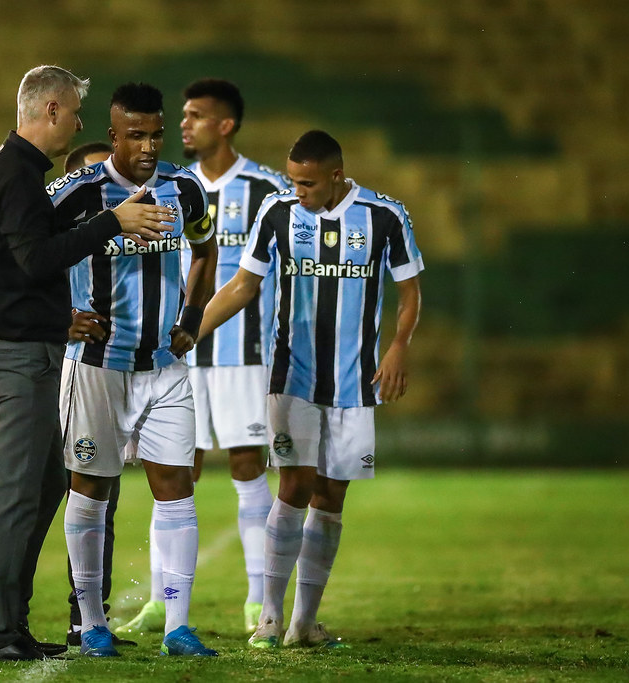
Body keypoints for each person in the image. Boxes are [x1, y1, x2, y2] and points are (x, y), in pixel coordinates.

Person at [0, 66, 175, 662]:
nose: (80, 127)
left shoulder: (14, 170)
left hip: (30, 346)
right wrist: (112, 221)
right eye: (77, 116)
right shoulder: (14, 174)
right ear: (52, 111)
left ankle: (7, 622)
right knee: (17, 493)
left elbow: (16, 265)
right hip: (16, 357)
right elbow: (34, 261)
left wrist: (61, 319)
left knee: (45, 484)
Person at [197, 129, 423, 649]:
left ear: (335, 176)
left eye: (307, 183)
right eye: (293, 180)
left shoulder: (384, 216)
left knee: (331, 495)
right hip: (291, 377)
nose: (296, 189)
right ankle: (270, 618)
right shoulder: (276, 213)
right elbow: (243, 285)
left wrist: (400, 346)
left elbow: (410, 292)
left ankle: (304, 623)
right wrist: (190, 331)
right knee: (294, 486)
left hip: (354, 382)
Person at [117, 78, 291, 638]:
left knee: (246, 465)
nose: (183, 126)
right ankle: (161, 599)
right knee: (173, 472)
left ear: (225, 124)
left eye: (194, 116)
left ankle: (257, 597)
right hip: (175, 357)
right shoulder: (169, 184)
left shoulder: (268, 187)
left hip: (244, 354)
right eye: (182, 116)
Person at [52, 82, 219, 658]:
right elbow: (26, 253)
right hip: (97, 367)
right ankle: (93, 623)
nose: (148, 146)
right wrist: (62, 313)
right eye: (136, 135)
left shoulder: (184, 188)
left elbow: (204, 248)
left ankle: (177, 626)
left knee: (176, 489)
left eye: (155, 134)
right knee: (91, 489)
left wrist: (192, 316)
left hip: (165, 366)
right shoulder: (77, 192)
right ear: (113, 134)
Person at [59, 141, 138, 649]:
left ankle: (88, 618)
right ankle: (8, 616)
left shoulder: (118, 240)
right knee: (62, 497)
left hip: (111, 368)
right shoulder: (58, 231)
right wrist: (57, 320)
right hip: (64, 369)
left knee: (100, 498)